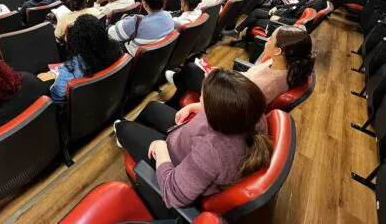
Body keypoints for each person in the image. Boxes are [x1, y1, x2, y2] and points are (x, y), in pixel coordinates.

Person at [114, 68, 272, 208]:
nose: (200, 99)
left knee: (124, 128)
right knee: (152, 108)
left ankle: (121, 135)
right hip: (185, 138)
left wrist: (161, 147)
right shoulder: (253, 113)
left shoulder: (212, 151)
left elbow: (173, 194)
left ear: (216, 112)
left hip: (173, 160)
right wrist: (193, 107)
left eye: (202, 97)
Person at [165, 25, 314, 109]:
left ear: (278, 50)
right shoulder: (282, 65)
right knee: (192, 71)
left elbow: (232, 107)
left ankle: (173, 100)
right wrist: (224, 74)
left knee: (191, 70)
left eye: (271, 38)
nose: (267, 39)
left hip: (224, 99)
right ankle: (174, 96)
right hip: (235, 86)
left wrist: (211, 82)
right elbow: (247, 80)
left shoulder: (269, 84)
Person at [42, 15, 123, 103]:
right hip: (107, 98)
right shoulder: (118, 49)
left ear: (77, 40)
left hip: (79, 107)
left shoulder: (70, 71)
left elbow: (57, 97)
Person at [108, 0, 174, 55]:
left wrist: (125, 21)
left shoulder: (136, 23)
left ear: (144, 4)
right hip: (159, 58)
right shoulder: (169, 16)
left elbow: (111, 33)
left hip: (134, 59)